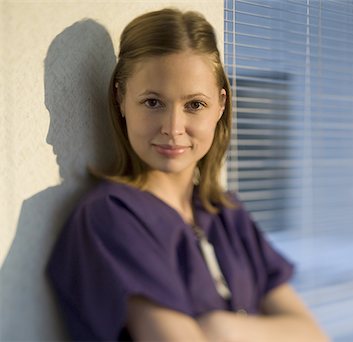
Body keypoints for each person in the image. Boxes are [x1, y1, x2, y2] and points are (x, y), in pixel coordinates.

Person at [47, 8, 328, 342]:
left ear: (220, 105)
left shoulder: (227, 215)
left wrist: (221, 330)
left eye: (194, 105)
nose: (173, 129)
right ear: (121, 98)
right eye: (153, 102)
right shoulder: (109, 218)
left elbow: (311, 334)